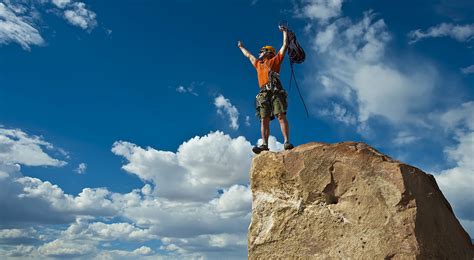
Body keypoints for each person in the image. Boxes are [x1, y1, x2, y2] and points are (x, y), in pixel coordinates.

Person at [238, 25, 294, 154]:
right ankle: (264, 144)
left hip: (275, 91)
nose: (259, 53)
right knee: (264, 119)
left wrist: (285, 32)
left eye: (262, 51)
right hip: (263, 93)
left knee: (280, 115)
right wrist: (241, 47)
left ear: (268, 52)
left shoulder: (275, 61)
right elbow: (249, 56)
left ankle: (286, 142)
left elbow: (284, 46)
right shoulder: (259, 64)